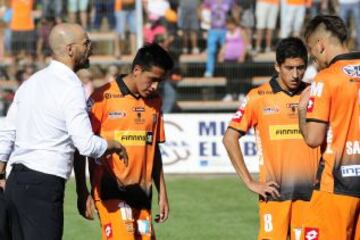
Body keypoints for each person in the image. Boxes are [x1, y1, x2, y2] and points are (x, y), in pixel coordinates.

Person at [0, 23, 127, 240]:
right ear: (70, 49)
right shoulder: (70, 86)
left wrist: (1, 173)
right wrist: (113, 145)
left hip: (14, 184)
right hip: (43, 187)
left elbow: (7, 133)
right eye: (86, 43)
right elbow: (85, 144)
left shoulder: (31, 83)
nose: (91, 49)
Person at [223, 37, 320, 240]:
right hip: (275, 197)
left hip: (313, 198)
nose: (295, 74)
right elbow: (229, 138)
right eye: (289, 68)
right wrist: (250, 182)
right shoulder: (258, 96)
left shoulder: (315, 94)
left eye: (300, 68)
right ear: (277, 66)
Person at [76, 42, 173, 239]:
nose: (155, 86)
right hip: (109, 190)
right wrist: (82, 189)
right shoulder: (103, 97)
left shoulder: (155, 101)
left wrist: (162, 191)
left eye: (159, 82)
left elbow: (153, 149)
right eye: (152, 79)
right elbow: (80, 146)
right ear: (137, 70)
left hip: (142, 194)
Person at [298, 15, 360, 239]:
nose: (312, 57)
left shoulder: (326, 79)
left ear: (320, 45)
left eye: (311, 50)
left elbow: (313, 138)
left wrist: (302, 111)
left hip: (338, 184)